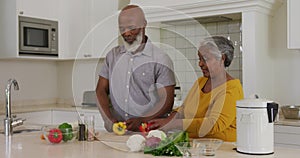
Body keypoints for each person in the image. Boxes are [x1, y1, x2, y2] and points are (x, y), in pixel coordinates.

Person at [96, 5, 176, 132]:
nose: (126, 33)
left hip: (148, 133)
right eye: (122, 29)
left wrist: (142, 120)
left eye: (131, 28)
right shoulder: (112, 56)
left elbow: (167, 102)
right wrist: (108, 118)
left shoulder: (161, 59)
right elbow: (100, 90)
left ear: (144, 24)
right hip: (118, 132)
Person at [149, 36, 244, 142]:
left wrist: (173, 124)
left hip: (221, 149)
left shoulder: (232, 88)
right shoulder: (200, 82)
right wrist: (165, 122)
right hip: (196, 146)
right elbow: (182, 110)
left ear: (222, 58)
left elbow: (214, 124)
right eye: (200, 59)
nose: (200, 64)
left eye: (206, 59)